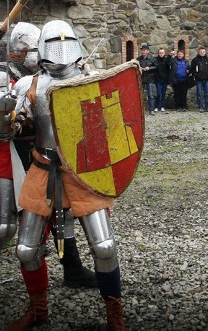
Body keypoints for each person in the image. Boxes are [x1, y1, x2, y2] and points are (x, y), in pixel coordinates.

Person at [7, 21, 126, 330]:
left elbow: (112, 129)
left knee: (104, 247)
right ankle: (39, 310)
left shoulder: (92, 80)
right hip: (43, 168)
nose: (61, 49)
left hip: (83, 171)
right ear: (42, 48)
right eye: (54, 42)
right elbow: (9, 132)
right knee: (26, 250)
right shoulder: (28, 86)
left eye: (66, 41)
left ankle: (115, 315)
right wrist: (2, 112)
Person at [190, 47, 208, 111]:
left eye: (203, 52)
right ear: (198, 52)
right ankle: (200, 107)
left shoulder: (207, 59)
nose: (202, 53)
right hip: (199, 80)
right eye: (201, 52)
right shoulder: (195, 60)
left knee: (207, 93)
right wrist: (196, 74)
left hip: (206, 79)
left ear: (205, 52)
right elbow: (192, 69)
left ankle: (207, 107)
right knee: (199, 94)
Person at [137, 45, 156, 116]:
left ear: (148, 51)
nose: (143, 51)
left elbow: (156, 67)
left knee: (150, 95)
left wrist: (149, 68)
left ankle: (151, 110)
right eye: (142, 50)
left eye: (144, 50)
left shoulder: (152, 59)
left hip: (149, 79)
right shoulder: (138, 59)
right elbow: (135, 65)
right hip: (141, 79)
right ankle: (141, 110)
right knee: (140, 95)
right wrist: (140, 68)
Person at [153, 47, 173, 112]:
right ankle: (156, 106)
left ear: (164, 53)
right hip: (158, 79)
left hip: (164, 79)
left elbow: (168, 63)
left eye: (162, 53)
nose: (161, 54)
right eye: (160, 53)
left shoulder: (166, 59)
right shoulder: (155, 60)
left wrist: (170, 56)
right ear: (158, 53)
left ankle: (162, 106)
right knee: (159, 93)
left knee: (163, 93)